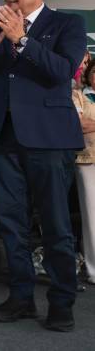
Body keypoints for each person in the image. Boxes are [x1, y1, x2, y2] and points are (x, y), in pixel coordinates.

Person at [0, 0, 85, 332]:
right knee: (11, 224)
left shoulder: (68, 24)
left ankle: (62, 301)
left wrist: (22, 40)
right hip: (3, 138)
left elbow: (62, 71)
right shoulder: (0, 29)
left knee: (55, 223)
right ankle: (20, 297)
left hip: (48, 140)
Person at [73, 59, 95, 286]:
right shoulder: (78, 95)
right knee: (92, 218)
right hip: (87, 161)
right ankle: (93, 269)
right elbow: (79, 125)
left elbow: (91, 123)